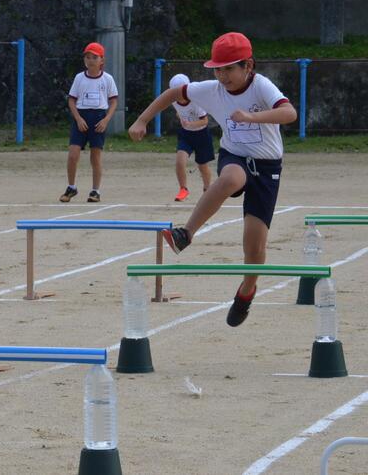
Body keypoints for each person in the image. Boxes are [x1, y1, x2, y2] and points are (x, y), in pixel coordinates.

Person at [129, 32, 296, 327]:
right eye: (217, 69)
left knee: (254, 246)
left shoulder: (261, 86)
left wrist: (252, 117)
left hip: (267, 165)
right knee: (230, 178)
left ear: (248, 66)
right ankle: (186, 233)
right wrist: (142, 119)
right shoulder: (211, 90)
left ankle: (247, 290)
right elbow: (173, 93)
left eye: (229, 69)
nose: (222, 76)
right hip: (235, 156)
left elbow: (289, 113)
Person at [59, 42, 118, 203]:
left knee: (95, 156)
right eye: (87, 57)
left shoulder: (107, 79)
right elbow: (72, 100)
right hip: (81, 117)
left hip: (98, 118)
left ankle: (95, 191)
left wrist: (106, 120)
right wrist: (78, 118)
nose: (90, 60)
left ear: (102, 60)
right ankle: (71, 187)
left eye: (94, 57)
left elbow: (113, 101)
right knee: (73, 154)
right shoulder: (79, 78)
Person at [168, 73, 214, 202]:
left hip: (201, 135)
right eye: (175, 92)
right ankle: (183, 189)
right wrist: (181, 119)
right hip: (186, 135)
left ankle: (207, 190)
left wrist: (190, 124)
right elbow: (179, 112)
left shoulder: (196, 102)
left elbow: (204, 121)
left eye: (180, 92)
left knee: (202, 166)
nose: (177, 95)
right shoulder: (173, 101)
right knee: (180, 161)